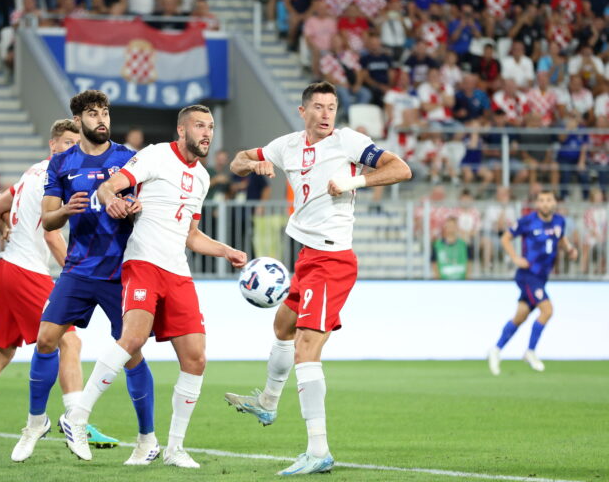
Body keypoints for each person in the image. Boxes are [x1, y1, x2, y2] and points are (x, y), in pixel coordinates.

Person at [226, 81, 411, 475]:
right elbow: (237, 161)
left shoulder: (349, 142)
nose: (327, 114)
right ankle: (269, 403)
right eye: (319, 107)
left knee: (306, 349)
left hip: (333, 259)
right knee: (283, 325)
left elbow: (401, 168)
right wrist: (255, 163)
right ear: (303, 111)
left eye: (331, 107)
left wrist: (355, 181)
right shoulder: (287, 146)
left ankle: (318, 450)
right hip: (307, 256)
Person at [58, 104, 247, 468]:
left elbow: (191, 236)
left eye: (210, 126)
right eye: (199, 126)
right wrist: (114, 202)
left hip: (178, 271)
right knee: (132, 340)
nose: (206, 133)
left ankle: (174, 448)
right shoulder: (157, 156)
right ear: (181, 130)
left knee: (196, 358)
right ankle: (77, 416)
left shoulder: (204, 178)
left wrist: (226, 251)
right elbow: (109, 187)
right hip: (143, 261)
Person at [0, 120, 120, 449]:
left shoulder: (31, 173)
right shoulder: (57, 178)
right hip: (28, 271)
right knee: (69, 342)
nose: (74, 149)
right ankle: (76, 421)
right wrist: (77, 271)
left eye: (78, 144)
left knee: (1, 353)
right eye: (68, 143)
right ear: (53, 145)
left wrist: (3, 229)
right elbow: (51, 232)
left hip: (6, 269)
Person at [10, 91, 156, 465]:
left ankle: (146, 439)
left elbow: (145, 207)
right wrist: (64, 209)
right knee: (45, 339)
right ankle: (34, 424)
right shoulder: (61, 163)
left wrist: (135, 208)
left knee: (133, 353)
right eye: (93, 113)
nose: (101, 118)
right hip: (78, 268)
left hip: (118, 272)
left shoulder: (128, 158)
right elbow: (48, 220)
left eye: (104, 112)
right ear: (78, 121)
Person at [487, 189, 579, 376]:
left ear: (554, 203)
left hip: (542, 278)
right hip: (528, 275)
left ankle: (495, 350)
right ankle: (530, 351)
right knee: (547, 310)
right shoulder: (527, 221)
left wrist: (569, 249)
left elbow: (561, 239)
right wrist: (515, 258)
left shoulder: (559, 221)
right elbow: (506, 237)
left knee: (520, 317)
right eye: (542, 200)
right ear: (537, 204)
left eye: (549, 200)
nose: (545, 203)